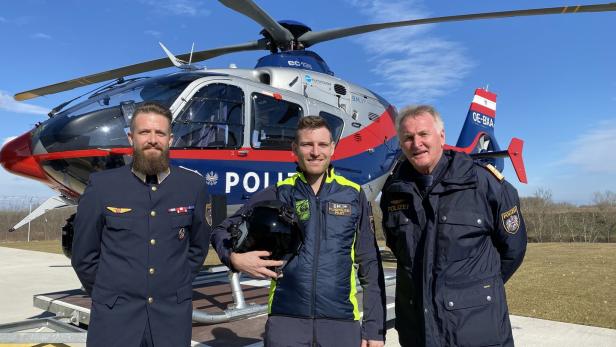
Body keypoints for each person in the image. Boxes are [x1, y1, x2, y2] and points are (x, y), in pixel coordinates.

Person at [211, 116, 386, 347]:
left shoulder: (353, 195)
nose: (315, 152)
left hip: (341, 322)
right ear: (295, 149)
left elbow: (370, 264)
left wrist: (374, 328)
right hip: (286, 321)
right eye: (307, 144)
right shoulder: (279, 193)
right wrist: (234, 259)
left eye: (322, 144)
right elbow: (220, 231)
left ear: (333, 148)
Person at [380, 105, 527, 347]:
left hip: (477, 332)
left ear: (441, 136)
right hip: (417, 333)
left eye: (423, 134)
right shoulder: (394, 192)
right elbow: (399, 249)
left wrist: (473, 291)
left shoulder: (485, 184)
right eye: (408, 137)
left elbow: (513, 250)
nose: (416, 143)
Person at [71, 102, 211, 347]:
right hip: (115, 321)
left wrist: (173, 282)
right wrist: (110, 293)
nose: (153, 139)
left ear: (171, 139)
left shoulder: (193, 186)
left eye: (160, 133)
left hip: (171, 320)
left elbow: (198, 248)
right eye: (144, 132)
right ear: (131, 138)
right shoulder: (102, 187)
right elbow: (84, 256)